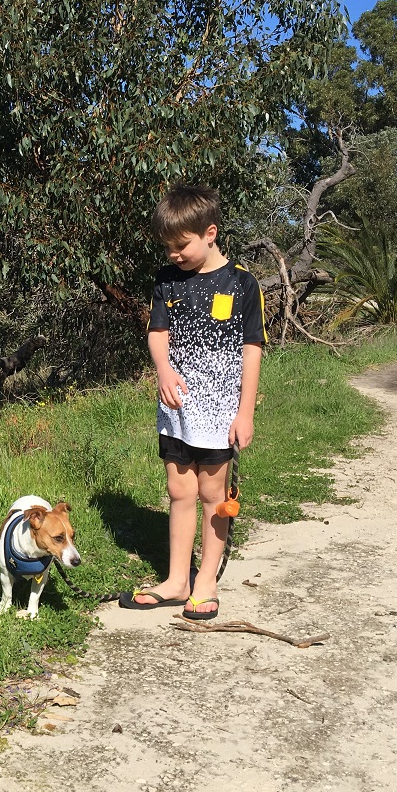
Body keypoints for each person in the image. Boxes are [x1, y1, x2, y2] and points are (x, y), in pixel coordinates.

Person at [119, 185, 265, 619]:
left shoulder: (242, 283)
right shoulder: (167, 282)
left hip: (222, 414)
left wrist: (246, 412)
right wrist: (163, 370)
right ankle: (177, 580)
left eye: (181, 245)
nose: (173, 255)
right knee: (179, 489)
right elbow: (157, 333)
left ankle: (206, 580)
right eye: (167, 247)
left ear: (210, 233)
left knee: (212, 493)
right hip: (177, 411)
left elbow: (252, 349)